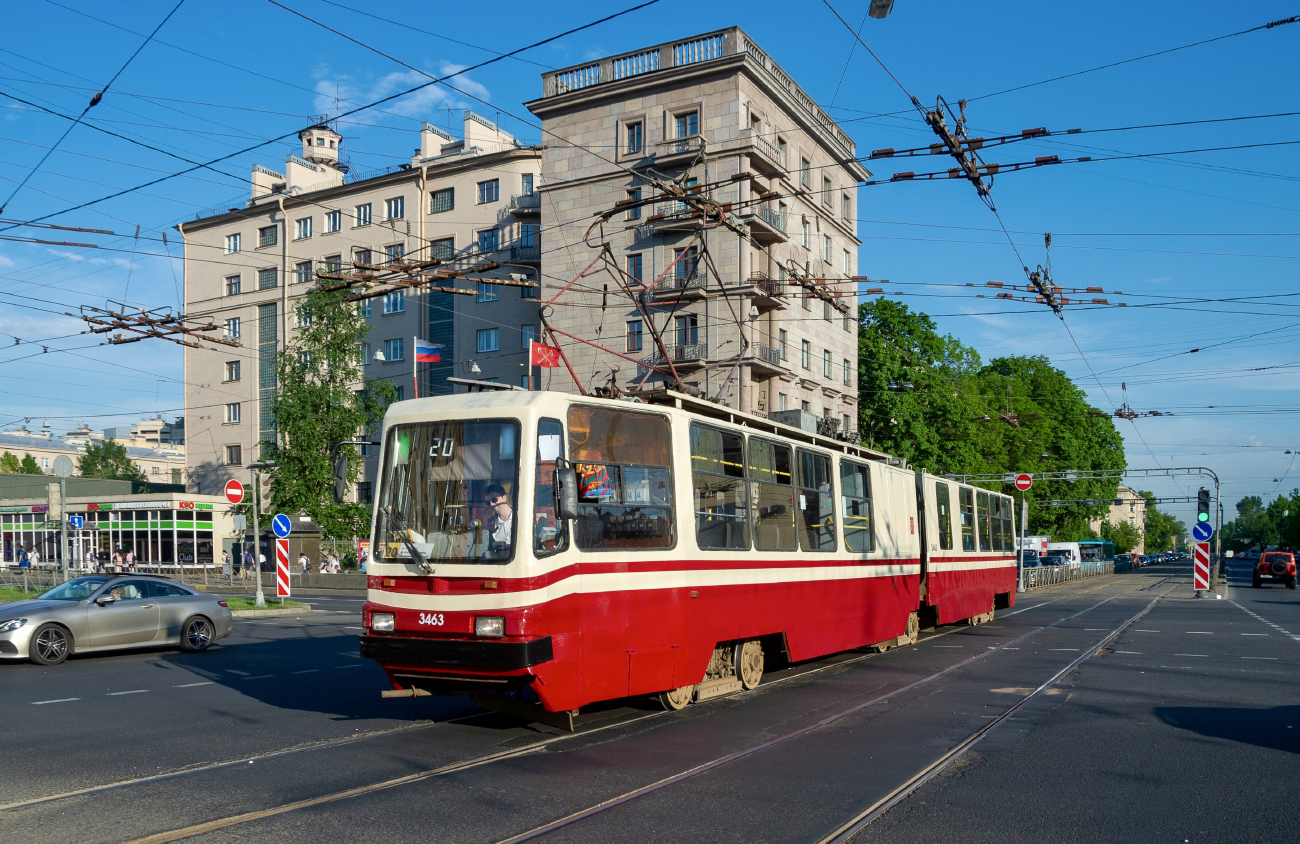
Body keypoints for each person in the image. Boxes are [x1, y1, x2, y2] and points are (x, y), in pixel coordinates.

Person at [484, 484, 513, 552]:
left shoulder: (520, 519)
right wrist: (489, 534)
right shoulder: (491, 525)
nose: (491, 504)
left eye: (494, 499)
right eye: (488, 502)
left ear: (504, 498)